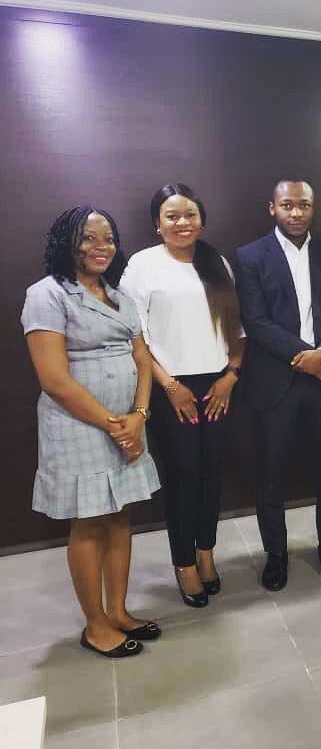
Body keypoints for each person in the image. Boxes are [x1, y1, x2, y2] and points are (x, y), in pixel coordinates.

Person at [22, 206, 161, 658]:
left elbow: (142, 359)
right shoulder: (47, 295)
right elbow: (54, 380)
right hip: (78, 426)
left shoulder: (120, 296)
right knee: (88, 523)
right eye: (89, 238)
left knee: (120, 517)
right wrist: (115, 425)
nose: (102, 247)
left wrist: (139, 415)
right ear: (67, 242)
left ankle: (118, 612)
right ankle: (96, 625)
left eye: (109, 238)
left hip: (127, 424)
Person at [120, 184, 243, 608]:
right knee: (184, 476)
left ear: (201, 219)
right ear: (157, 223)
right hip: (169, 387)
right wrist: (170, 387)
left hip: (218, 385)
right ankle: (184, 564)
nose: (182, 223)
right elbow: (136, 340)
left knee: (213, 471)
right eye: (171, 216)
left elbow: (237, 331)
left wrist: (231, 376)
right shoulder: (142, 265)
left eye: (189, 214)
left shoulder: (216, 262)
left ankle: (206, 552)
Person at [234, 179, 321, 591]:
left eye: (304, 205)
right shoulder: (250, 256)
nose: (297, 213)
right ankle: (276, 554)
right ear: (272, 208)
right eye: (287, 205)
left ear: (313, 208)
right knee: (271, 473)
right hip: (276, 382)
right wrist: (311, 360)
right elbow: (256, 322)